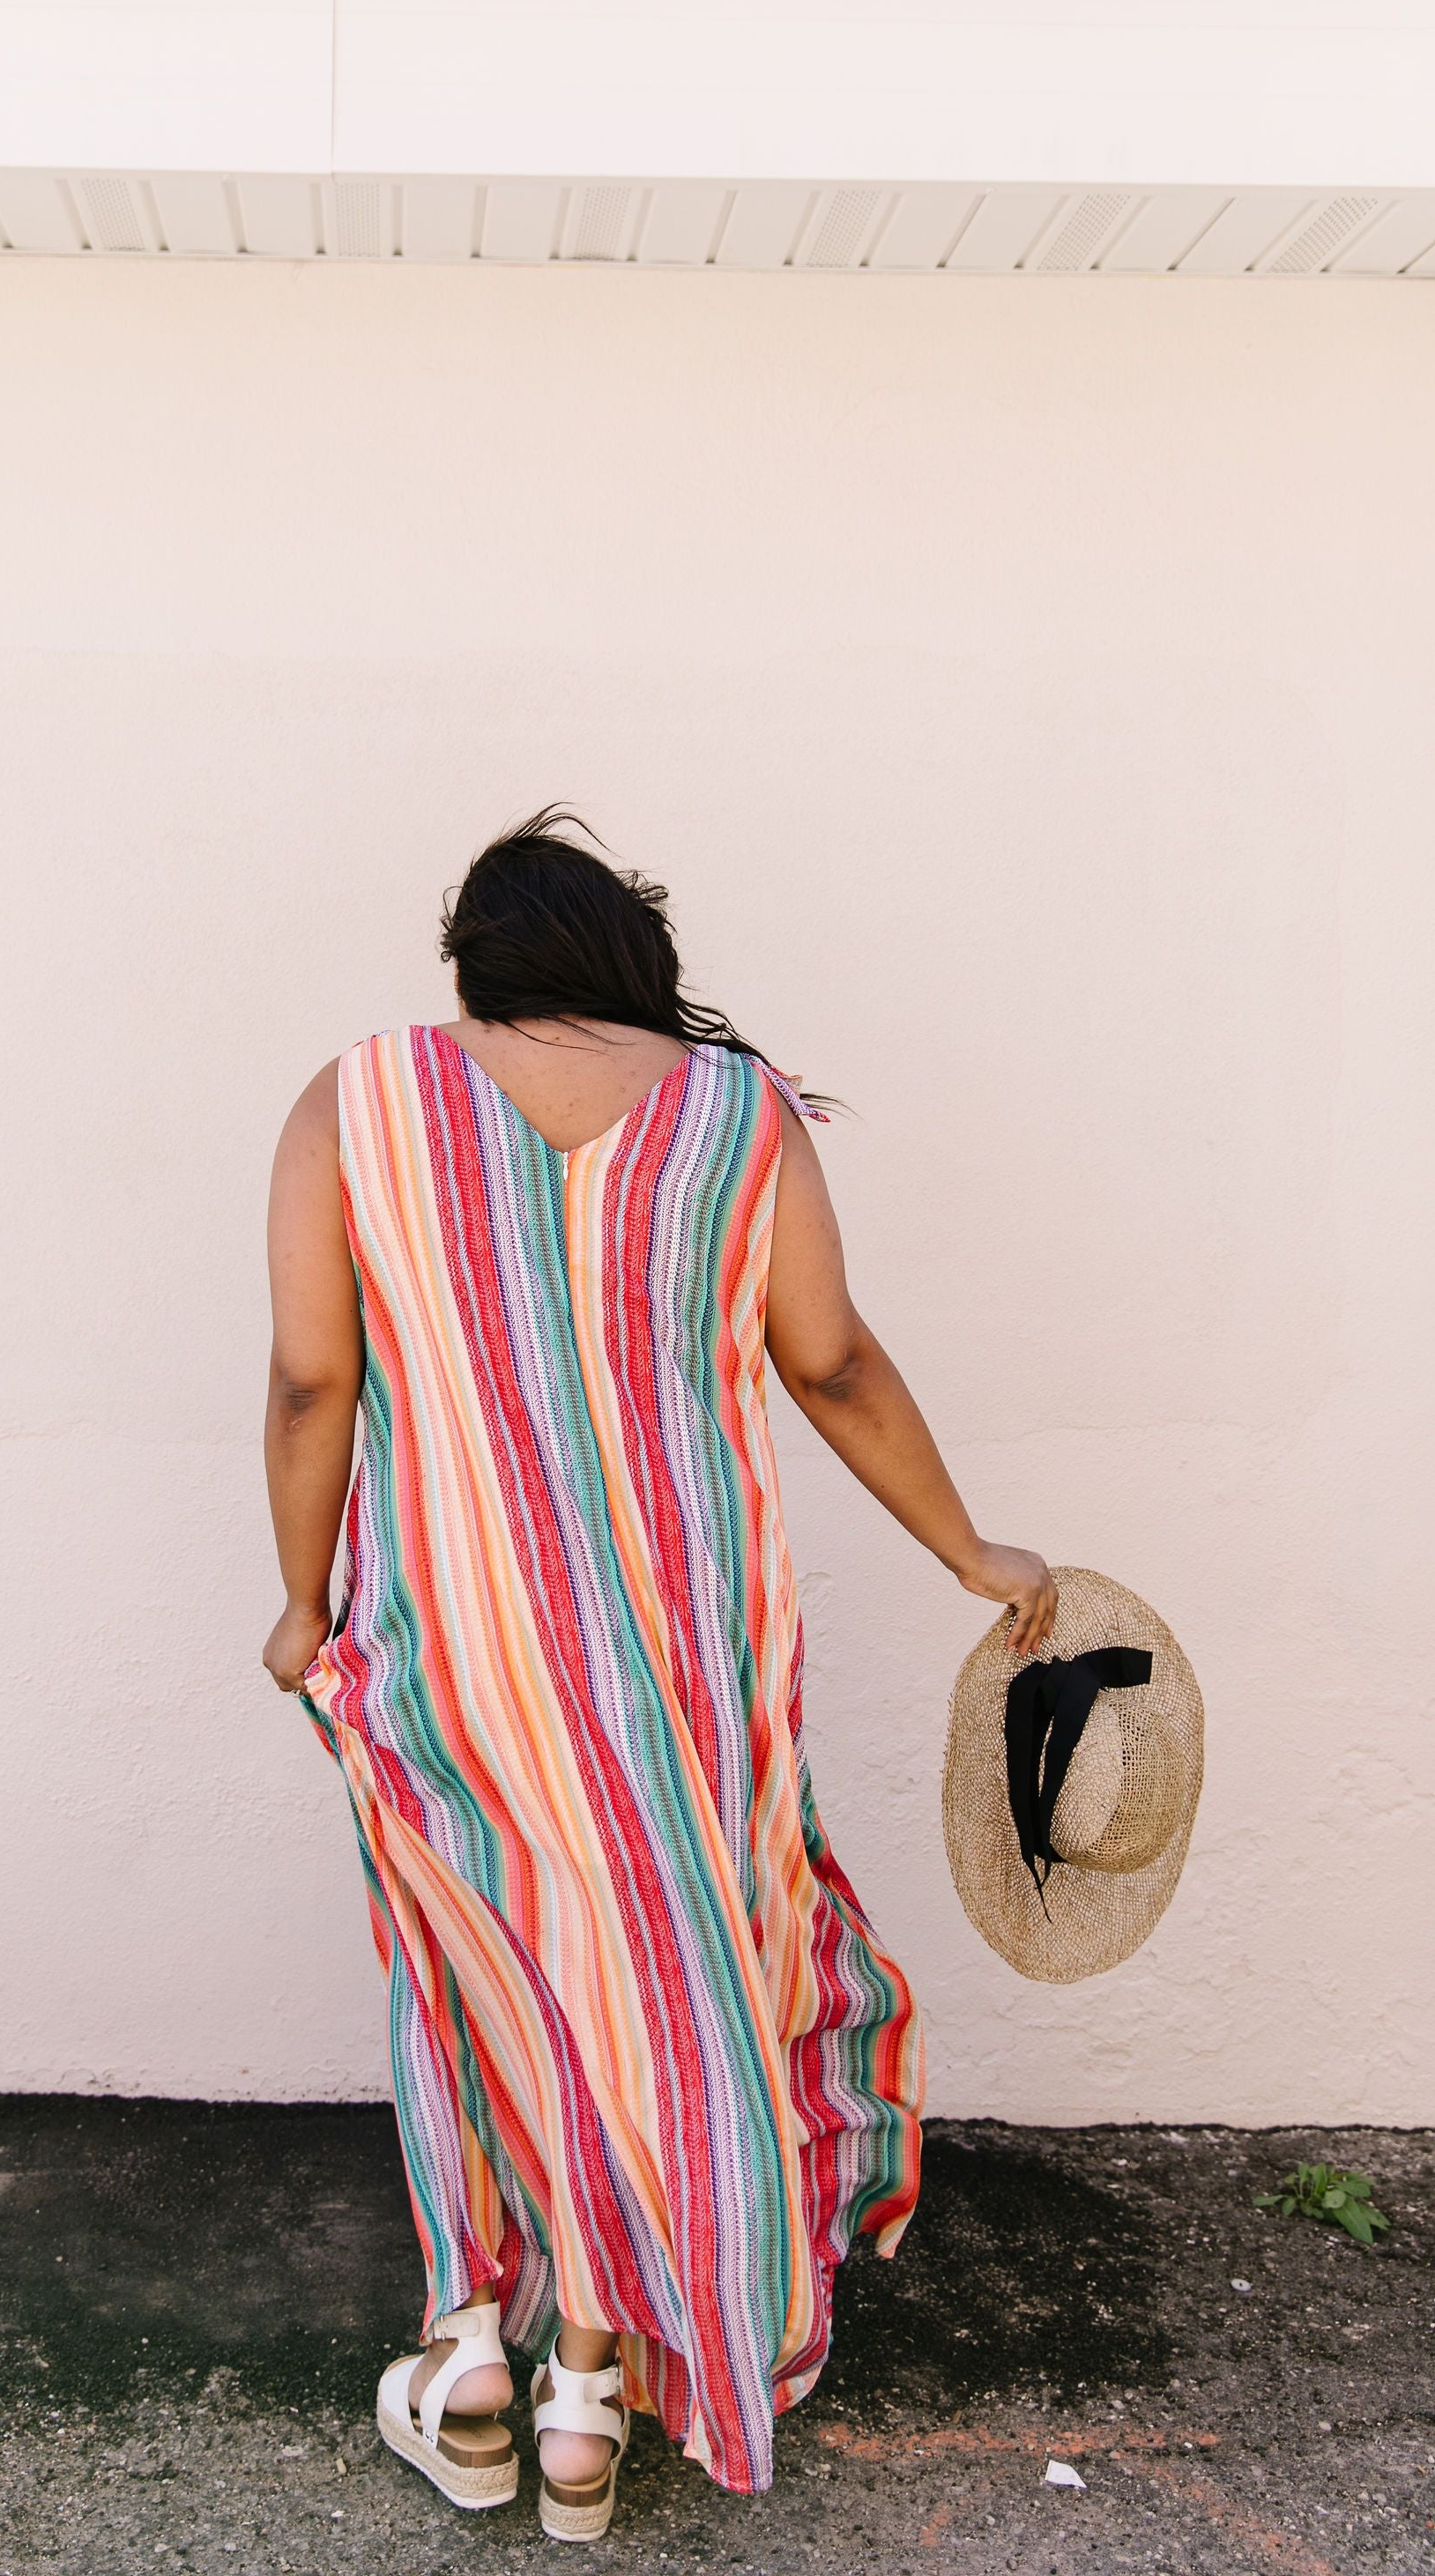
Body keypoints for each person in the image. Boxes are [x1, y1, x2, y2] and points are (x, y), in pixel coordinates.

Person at [262, 809, 1055, 2537]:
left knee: (473, 1973)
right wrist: (973, 1552)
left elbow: (314, 1384)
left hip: (444, 1639)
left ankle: (471, 2352)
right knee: (651, 1991)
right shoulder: (734, 1114)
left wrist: (300, 1603)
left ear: (472, 967)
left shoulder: (356, 1100)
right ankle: (589, 2399)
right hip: (682, 1655)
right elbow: (829, 1363)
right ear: (633, 961)